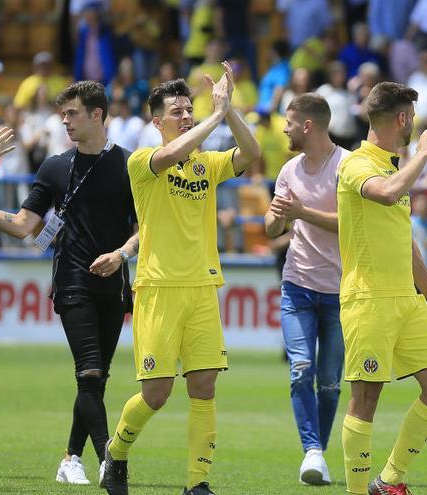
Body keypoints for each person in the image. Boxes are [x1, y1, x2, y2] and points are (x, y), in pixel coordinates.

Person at [102, 63, 261, 495]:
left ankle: (197, 483)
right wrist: (214, 116)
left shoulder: (206, 164)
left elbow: (251, 153)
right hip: (158, 288)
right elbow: (171, 154)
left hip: (203, 287)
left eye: (190, 109)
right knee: (156, 393)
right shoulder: (142, 162)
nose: (186, 115)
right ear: (157, 121)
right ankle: (115, 453)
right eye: (177, 111)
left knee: (204, 387)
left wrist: (229, 113)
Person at [0, 81, 138, 487]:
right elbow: (23, 226)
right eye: (63, 114)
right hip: (72, 281)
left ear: (97, 114)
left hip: (114, 283)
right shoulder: (55, 167)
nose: (65, 121)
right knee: (89, 374)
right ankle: (111, 460)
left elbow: (145, 229)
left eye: (73, 113)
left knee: (96, 379)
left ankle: (70, 457)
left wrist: (122, 254)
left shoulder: (130, 166)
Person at [337, 81, 427, 495]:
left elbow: (403, 238)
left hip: (406, 301)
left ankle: (389, 480)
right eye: (412, 119)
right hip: (368, 298)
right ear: (402, 118)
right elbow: (387, 196)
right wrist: (423, 155)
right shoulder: (356, 163)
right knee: (366, 397)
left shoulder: (393, 165)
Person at [264, 93, 350, 486]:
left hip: (339, 292)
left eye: (289, 121)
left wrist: (300, 213)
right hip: (297, 284)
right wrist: (277, 217)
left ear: (309, 126)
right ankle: (312, 451)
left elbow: (350, 224)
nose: (284, 127)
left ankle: (318, 453)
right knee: (301, 369)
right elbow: (271, 228)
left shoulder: (347, 166)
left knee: (330, 383)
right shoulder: (288, 171)